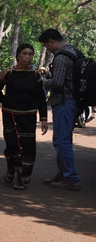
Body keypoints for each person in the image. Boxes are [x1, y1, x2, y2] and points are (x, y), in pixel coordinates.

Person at [0, 44, 48, 190]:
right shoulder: (8, 73)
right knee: (12, 145)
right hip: (10, 115)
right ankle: (11, 168)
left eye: (30, 54)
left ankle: (21, 177)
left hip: (29, 116)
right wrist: (5, 101)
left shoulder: (35, 75)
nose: (27, 57)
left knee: (27, 147)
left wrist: (43, 118)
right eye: (24, 53)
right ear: (18, 55)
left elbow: (41, 98)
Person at [38, 29, 82, 190]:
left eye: (46, 45)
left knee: (62, 141)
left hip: (64, 102)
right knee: (63, 140)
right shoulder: (74, 51)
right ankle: (63, 174)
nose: (47, 49)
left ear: (51, 41)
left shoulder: (62, 56)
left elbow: (57, 82)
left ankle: (71, 178)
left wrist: (41, 81)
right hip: (72, 101)